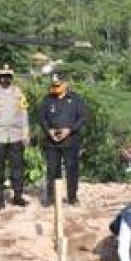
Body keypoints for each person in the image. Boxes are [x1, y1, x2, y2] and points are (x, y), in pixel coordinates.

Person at [38, 71, 89, 206]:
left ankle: (72, 197)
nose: (55, 88)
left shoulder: (76, 99)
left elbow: (83, 117)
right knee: (52, 170)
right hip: (52, 141)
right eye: (54, 85)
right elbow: (41, 117)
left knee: (72, 169)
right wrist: (49, 131)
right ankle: (50, 198)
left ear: (65, 84)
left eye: (58, 85)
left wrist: (70, 130)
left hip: (71, 140)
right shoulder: (47, 99)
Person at [0, 64, 29, 210]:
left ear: (12, 77)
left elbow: (24, 112)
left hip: (16, 136)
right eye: (3, 76)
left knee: (17, 167)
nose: (5, 79)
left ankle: (17, 196)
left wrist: (25, 132)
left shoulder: (19, 92)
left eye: (8, 76)